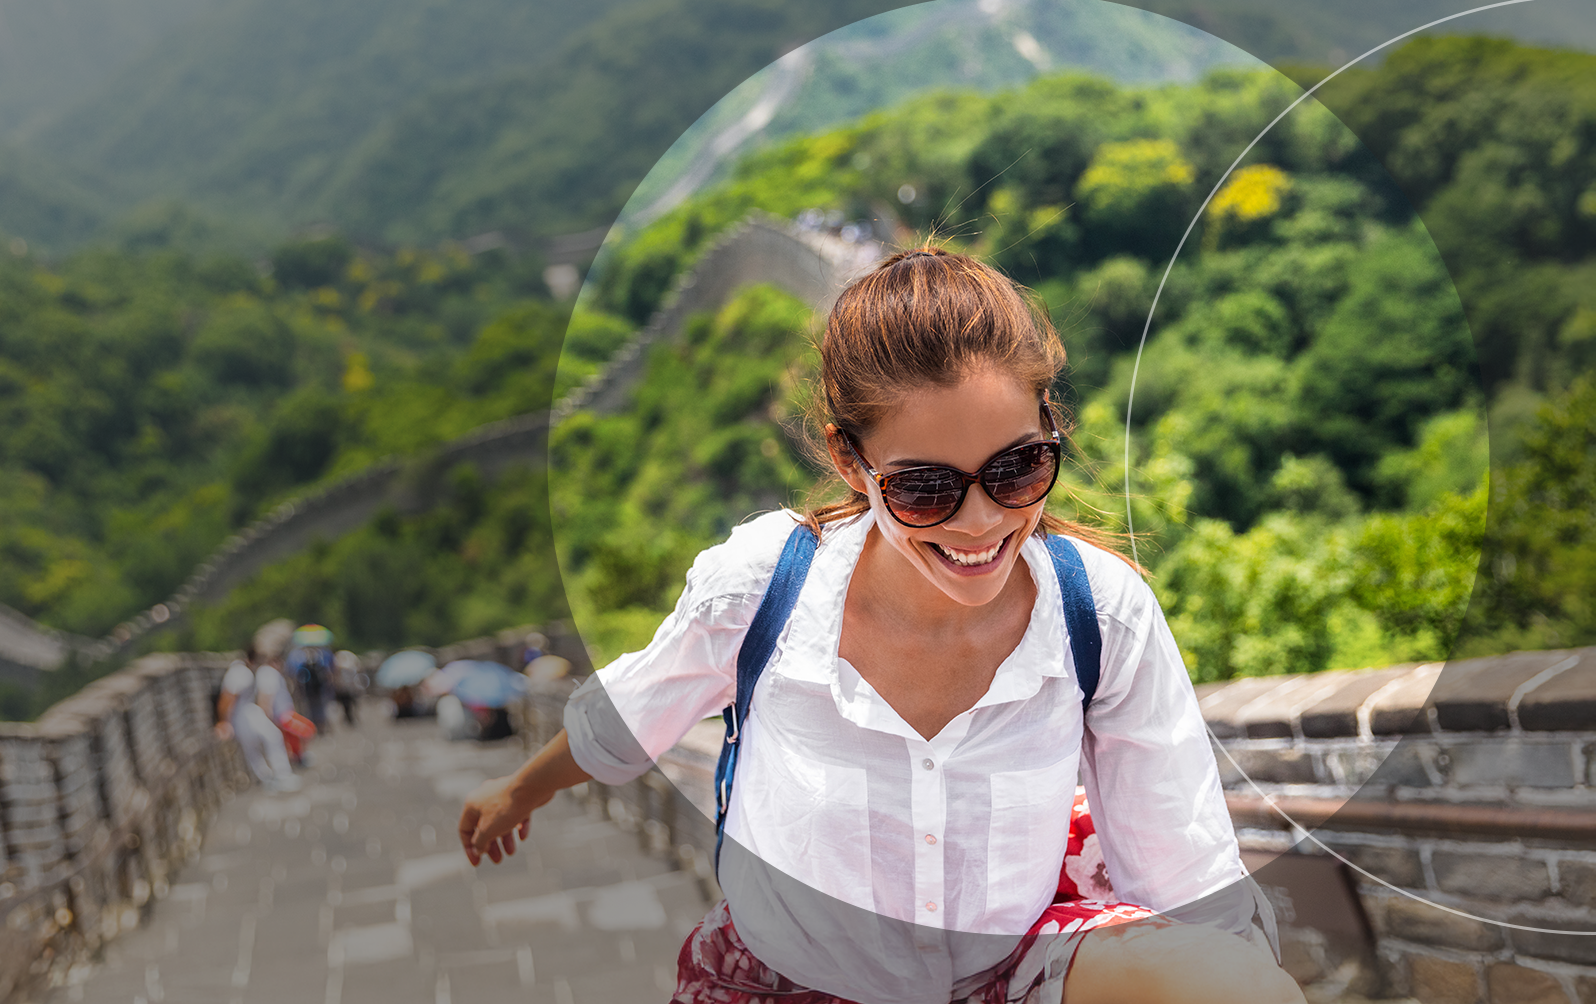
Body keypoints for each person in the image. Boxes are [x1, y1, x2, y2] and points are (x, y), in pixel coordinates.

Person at [459, 248, 1302, 1004]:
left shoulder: (1099, 611)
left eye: (1017, 468)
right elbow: (629, 720)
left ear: (1053, 432)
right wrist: (519, 791)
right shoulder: (764, 589)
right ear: (848, 461)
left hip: (1005, 968)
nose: (978, 523)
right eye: (926, 487)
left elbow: (1182, 862)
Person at [217, 619, 302, 794]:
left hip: (242, 713)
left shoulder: (240, 671)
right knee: (269, 738)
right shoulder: (241, 672)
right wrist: (224, 722)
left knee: (255, 747)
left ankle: (269, 778)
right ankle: (276, 776)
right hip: (241, 715)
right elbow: (226, 698)